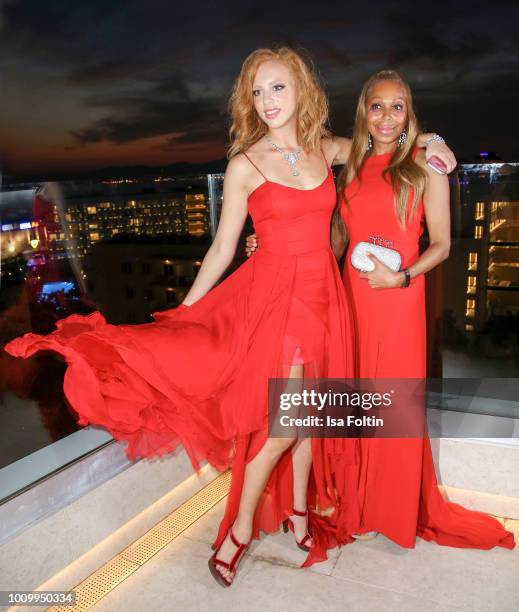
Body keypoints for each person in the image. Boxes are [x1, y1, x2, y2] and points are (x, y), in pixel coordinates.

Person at [4, 47, 357, 587]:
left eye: (278, 88)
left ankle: (302, 513)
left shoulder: (326, 148)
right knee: (286, 427)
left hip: (323, 297)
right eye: (257, 92)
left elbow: (382, 150)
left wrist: (425, 141)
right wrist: (188, 313)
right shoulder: (245, 164)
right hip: (274, 301)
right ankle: (240, 530)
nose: (267, 101)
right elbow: (222, 249)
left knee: (308, 417)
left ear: (303, 90)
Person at [246, 69, 516, 551]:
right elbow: (332, 233)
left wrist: (404, 276)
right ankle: (351, 498)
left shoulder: (424, 165)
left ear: (409, 113)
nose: (387, 116)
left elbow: (443, 245)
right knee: (352, 404)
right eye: (377, 106)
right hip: (346, 299)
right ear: (364, 112)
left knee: (390, 405)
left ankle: (387, 507)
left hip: (398, 301)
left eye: (398, 107)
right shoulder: (350, 163)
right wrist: (267, 243)